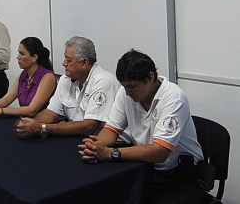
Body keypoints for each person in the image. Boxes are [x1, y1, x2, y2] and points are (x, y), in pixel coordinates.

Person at [79, 49, 209, 204]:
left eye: (132, 87)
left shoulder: (174, 98)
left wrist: (109, 153)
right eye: (124, 86)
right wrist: (97, 145)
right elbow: (111, 129)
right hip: (146, 167)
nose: (127, 93)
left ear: (150, 77)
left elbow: (160, 152)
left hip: (180, 175)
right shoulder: (125, 91)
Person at [13, 36, 122, 139]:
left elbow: (89, 126)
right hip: (76, 139)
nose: (63, 63)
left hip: (109, 144)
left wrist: (41, 128)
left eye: (68, 60)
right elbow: (51, 113)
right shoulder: (65, 79)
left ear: (84, 63)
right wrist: (29, 124)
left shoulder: (103, 81)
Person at [0, 37, 58, 118]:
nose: (18, 57)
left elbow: (32, 110)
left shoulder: (47, 77)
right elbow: (7, 99)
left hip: (41, 124)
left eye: (22, 54)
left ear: (34, 57)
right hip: (25, 121)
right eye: (19, 53)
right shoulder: (24, 75)